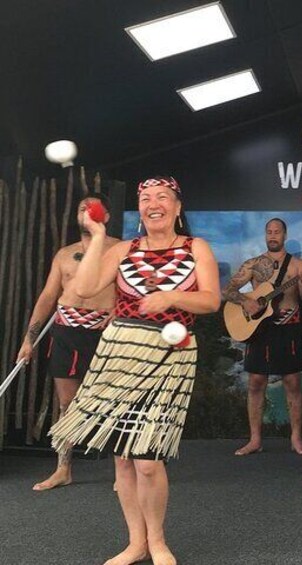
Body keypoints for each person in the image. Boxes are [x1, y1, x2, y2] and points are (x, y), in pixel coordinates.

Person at [49, 176, 220, 565]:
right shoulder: (125, 249)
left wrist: (172, 296)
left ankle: (158, 542)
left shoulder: (196, 248)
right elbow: (85, 287)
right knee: (123, 458)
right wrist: (97, 235)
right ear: (139, 209)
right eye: (145, 198)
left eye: (162, 197)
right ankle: (135, 543)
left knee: (146, 458)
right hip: (119, 353)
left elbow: (211, 300)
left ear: (178, 207)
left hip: (168, 357)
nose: (153, 203)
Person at [16, 195, 119, 491]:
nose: (87, 212)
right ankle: (63, 468)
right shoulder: (64, 254)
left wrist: (118, 311)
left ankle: (120, 470)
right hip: (66, 330)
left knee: (112, 401)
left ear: (106, 216)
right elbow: (48, 296)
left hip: (105, 331)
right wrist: (28, 339)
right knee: (66, 403)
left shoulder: (119, 250)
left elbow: (132, 290)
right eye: (81, 208)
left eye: (93, 207)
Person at [223, 218, 302, 456]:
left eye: (277, 232)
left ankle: (295, 438)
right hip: (258, 329)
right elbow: (228, 290)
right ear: (265, 236)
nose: (273, 236)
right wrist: (246, 301)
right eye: (269, 232)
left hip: (288, 328)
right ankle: (255, 440)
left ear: (285, 235)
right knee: (255, 383)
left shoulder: (298, 266)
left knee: (292, 383)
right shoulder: (252, 264)